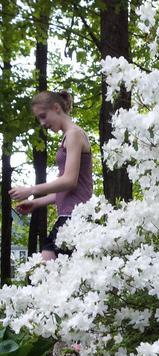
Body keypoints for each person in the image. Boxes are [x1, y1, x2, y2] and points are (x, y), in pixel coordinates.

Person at [9, 90, 93, 262]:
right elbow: (68, 189)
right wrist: (36, 202)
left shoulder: (74, 134)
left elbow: (69, 181)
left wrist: (32, 189)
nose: (42, 123)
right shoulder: (68, 137)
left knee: (44, 270)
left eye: (43, 116)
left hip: (75, 217)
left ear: (56, 108)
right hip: (70, 217)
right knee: (55, 275)